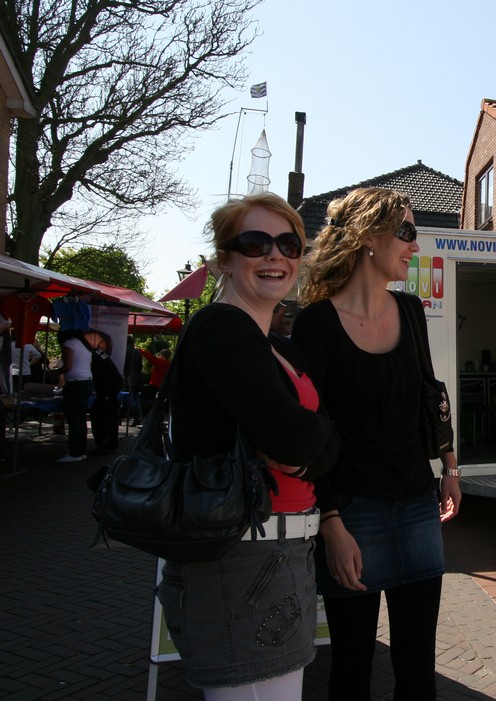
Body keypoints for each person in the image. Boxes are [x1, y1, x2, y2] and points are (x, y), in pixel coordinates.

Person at [154, 192, 341, 699]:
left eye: (288, 244)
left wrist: (309, 444)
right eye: (256, 243)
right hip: (240, 556)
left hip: (284, 549)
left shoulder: (276, 345)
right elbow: (296, 438)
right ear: (225, 259)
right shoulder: (221, 327)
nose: (275, 255)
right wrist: (309, 442)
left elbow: (323, 440)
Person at [292, 187, 461, 700]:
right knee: (351, 666)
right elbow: (310, 431)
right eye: (407, 232)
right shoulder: (315, 324)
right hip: (351, 513)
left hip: (416, 504)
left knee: (417, 665)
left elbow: (429, 392)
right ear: (370, 235)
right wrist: (330, 521)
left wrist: (450, 467)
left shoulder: (410, 310)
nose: (415, 245)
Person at [81, 329, 122, 456]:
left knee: (101, 416)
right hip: (110, 388)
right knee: (107, 416)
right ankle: (109, 445)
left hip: (107, 389)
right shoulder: (99, 354)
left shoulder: (93, 355)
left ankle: (104, 445)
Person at [57, 328, 93, 463]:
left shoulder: (69, 344)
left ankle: (75, 452)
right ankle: (81, 450)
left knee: (74, 418)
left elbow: (68, 366)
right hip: (87, 381)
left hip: (75, 383)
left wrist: (55, 372)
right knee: (81, 418)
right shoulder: (84, 345)